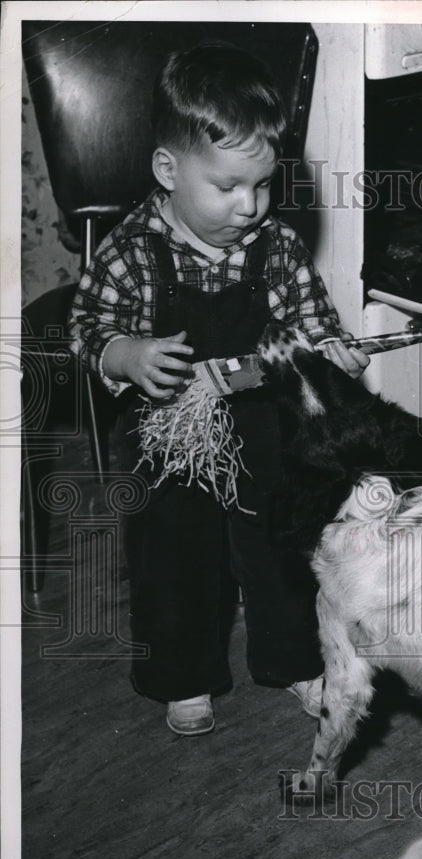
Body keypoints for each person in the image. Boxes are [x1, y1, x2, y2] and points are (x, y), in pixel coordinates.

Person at [69, 41, 369, 736]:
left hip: (262, 420)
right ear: (168, 170)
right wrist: (123, 352)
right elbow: (86, 328)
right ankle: (184, 674)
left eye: (262, 185)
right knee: (174, 554)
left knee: (280, 544)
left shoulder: (279, 247)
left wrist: (330, 348)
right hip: (169, 433)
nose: (249, 206)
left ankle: (294, 659)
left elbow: (310, 321)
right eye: (229, 186)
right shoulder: (133, 249)